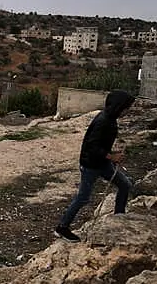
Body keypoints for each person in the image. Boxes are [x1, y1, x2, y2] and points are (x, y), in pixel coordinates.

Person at [56, 90, 135, 242]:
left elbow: (100, 144)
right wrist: (111, 156)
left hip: (103, 163)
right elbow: (92, 146)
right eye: (126, 108)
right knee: (83, 198)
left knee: (125, 185)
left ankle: (118, 217)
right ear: (119, 107)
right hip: (91, 165)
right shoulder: (104, 121)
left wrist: (111, 155)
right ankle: (62, 227)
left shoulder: (110, 119)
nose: (127, 111)